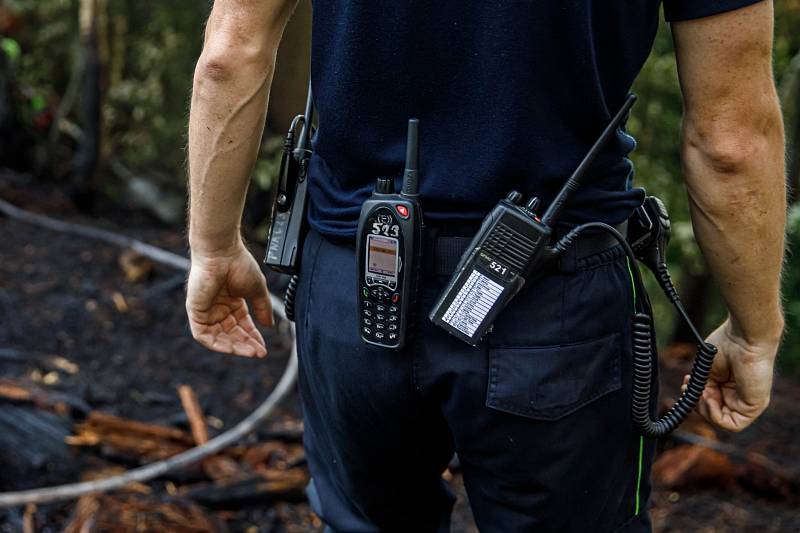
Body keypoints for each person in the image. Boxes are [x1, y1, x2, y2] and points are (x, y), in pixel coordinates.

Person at [185, 1, 786, 530]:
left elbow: (229, 54)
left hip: (353, 282)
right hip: (558, 302)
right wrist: (754, 328)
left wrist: (213, 248)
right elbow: (730, 140)